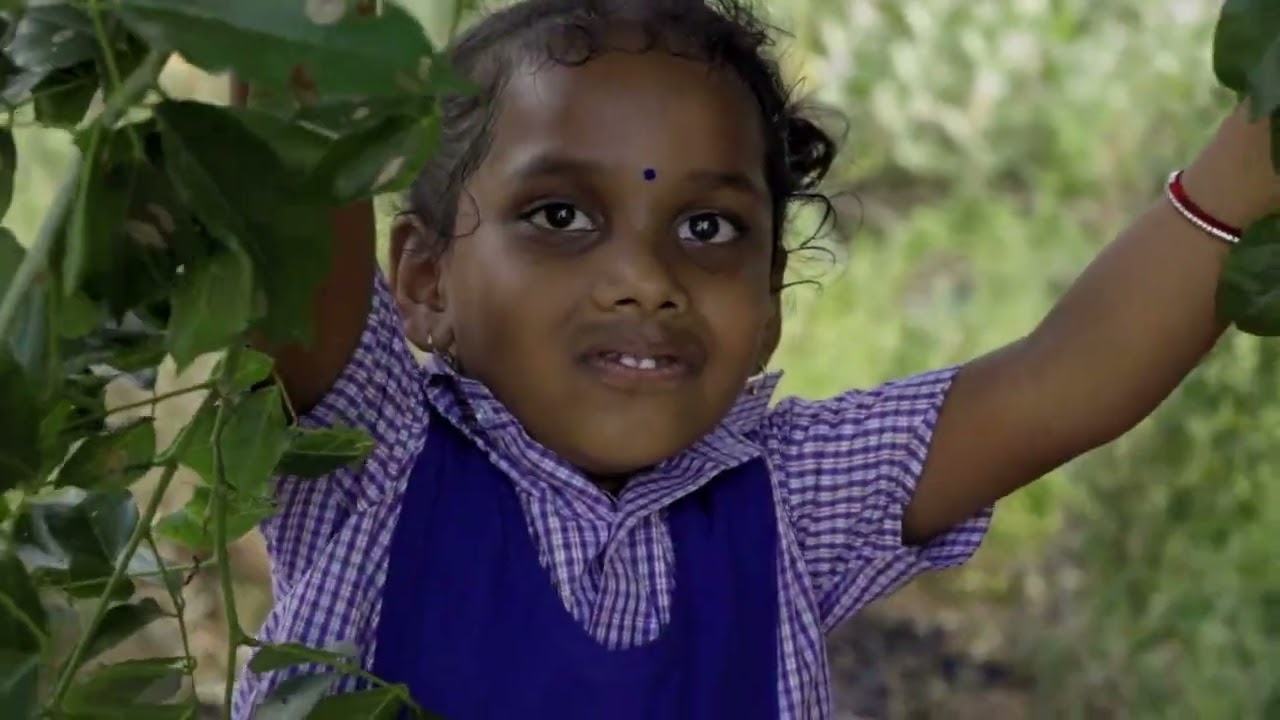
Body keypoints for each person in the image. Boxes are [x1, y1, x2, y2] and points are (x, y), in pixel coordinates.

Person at [230, 1, 1277, 718]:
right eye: (559, 214)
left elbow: (1066, 378)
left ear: (769, 297)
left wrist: (1258, 135)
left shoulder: (785, 500)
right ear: (421, 282)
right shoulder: (368, 460)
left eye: (706, 229)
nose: (643, 278)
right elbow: (279, 201)